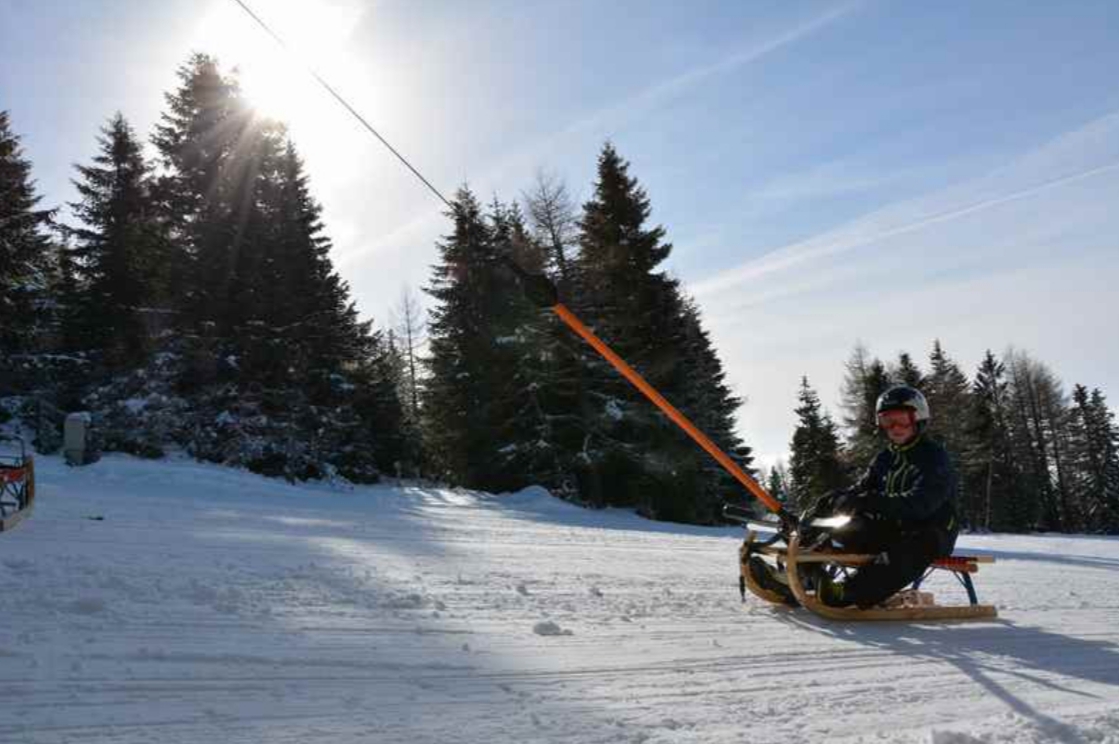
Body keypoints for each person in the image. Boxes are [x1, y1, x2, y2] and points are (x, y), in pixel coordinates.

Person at [809, 384, 959, 608]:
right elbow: (862, 489)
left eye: (902, 420)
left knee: (914, 546)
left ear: (918, 419)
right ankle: (804, 575)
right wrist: (839, 499)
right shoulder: (884, 458)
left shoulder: (934, 457)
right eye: (887, 421)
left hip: (932, 532)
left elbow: (920, 505)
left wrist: (868, 501)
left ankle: (849, 592)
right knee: (841, 525)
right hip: (892, 529)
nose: (895, 428)